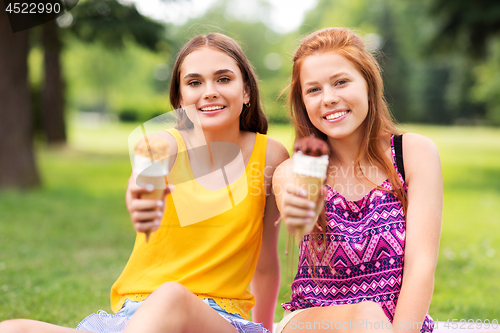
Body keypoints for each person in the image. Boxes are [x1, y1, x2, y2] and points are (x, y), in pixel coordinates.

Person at [0, 33, 288, 333]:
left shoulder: (269, 156)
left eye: (224, 79)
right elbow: (146, 169)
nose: (209, 91)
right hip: (135, 318)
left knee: (172, 296)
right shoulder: (162, 145)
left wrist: (264, 328)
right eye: (194, 82)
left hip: (218, 319)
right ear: (179, 100)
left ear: (246, 92)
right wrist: (139, 192)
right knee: (11, 329)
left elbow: (265, 264)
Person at [273, 27, 442, 333]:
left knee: (371, 319)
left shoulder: (414, 154)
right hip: (313, 323)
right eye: (313, 90)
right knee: (366, 315)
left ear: (368, 83)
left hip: (393, 327)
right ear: (302, 101)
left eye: (340, 82)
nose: (329, 99)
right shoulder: (295, 170)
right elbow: (292, 196)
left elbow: (421, 265)